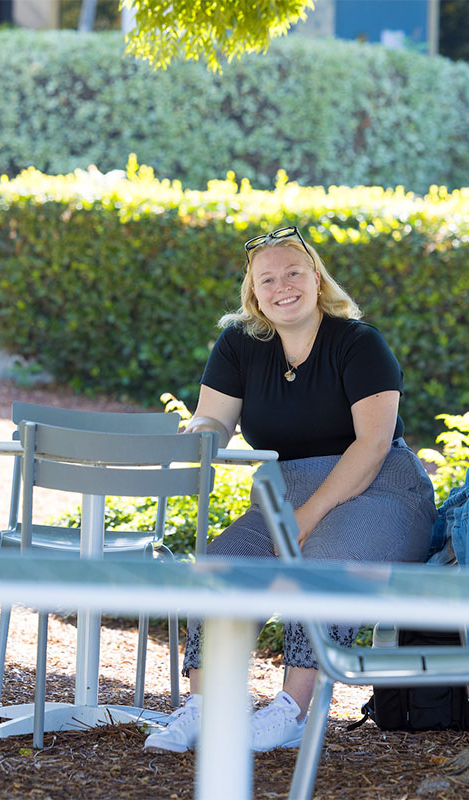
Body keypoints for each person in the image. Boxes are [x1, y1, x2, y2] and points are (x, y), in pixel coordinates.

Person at [144, 225, 437, 754]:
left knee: (324, 565)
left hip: (378, 490)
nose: (283, 286)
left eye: (294, 272)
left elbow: (371, 446)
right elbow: (214, 420)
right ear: (253, 293)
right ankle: (204, 707)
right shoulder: (238, 344)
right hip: (284, 496)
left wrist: (309, 513)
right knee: (223, 561)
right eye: (268, 279)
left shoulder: (359, 343)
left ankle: (291, 713)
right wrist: (199, 434)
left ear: (317, 278)